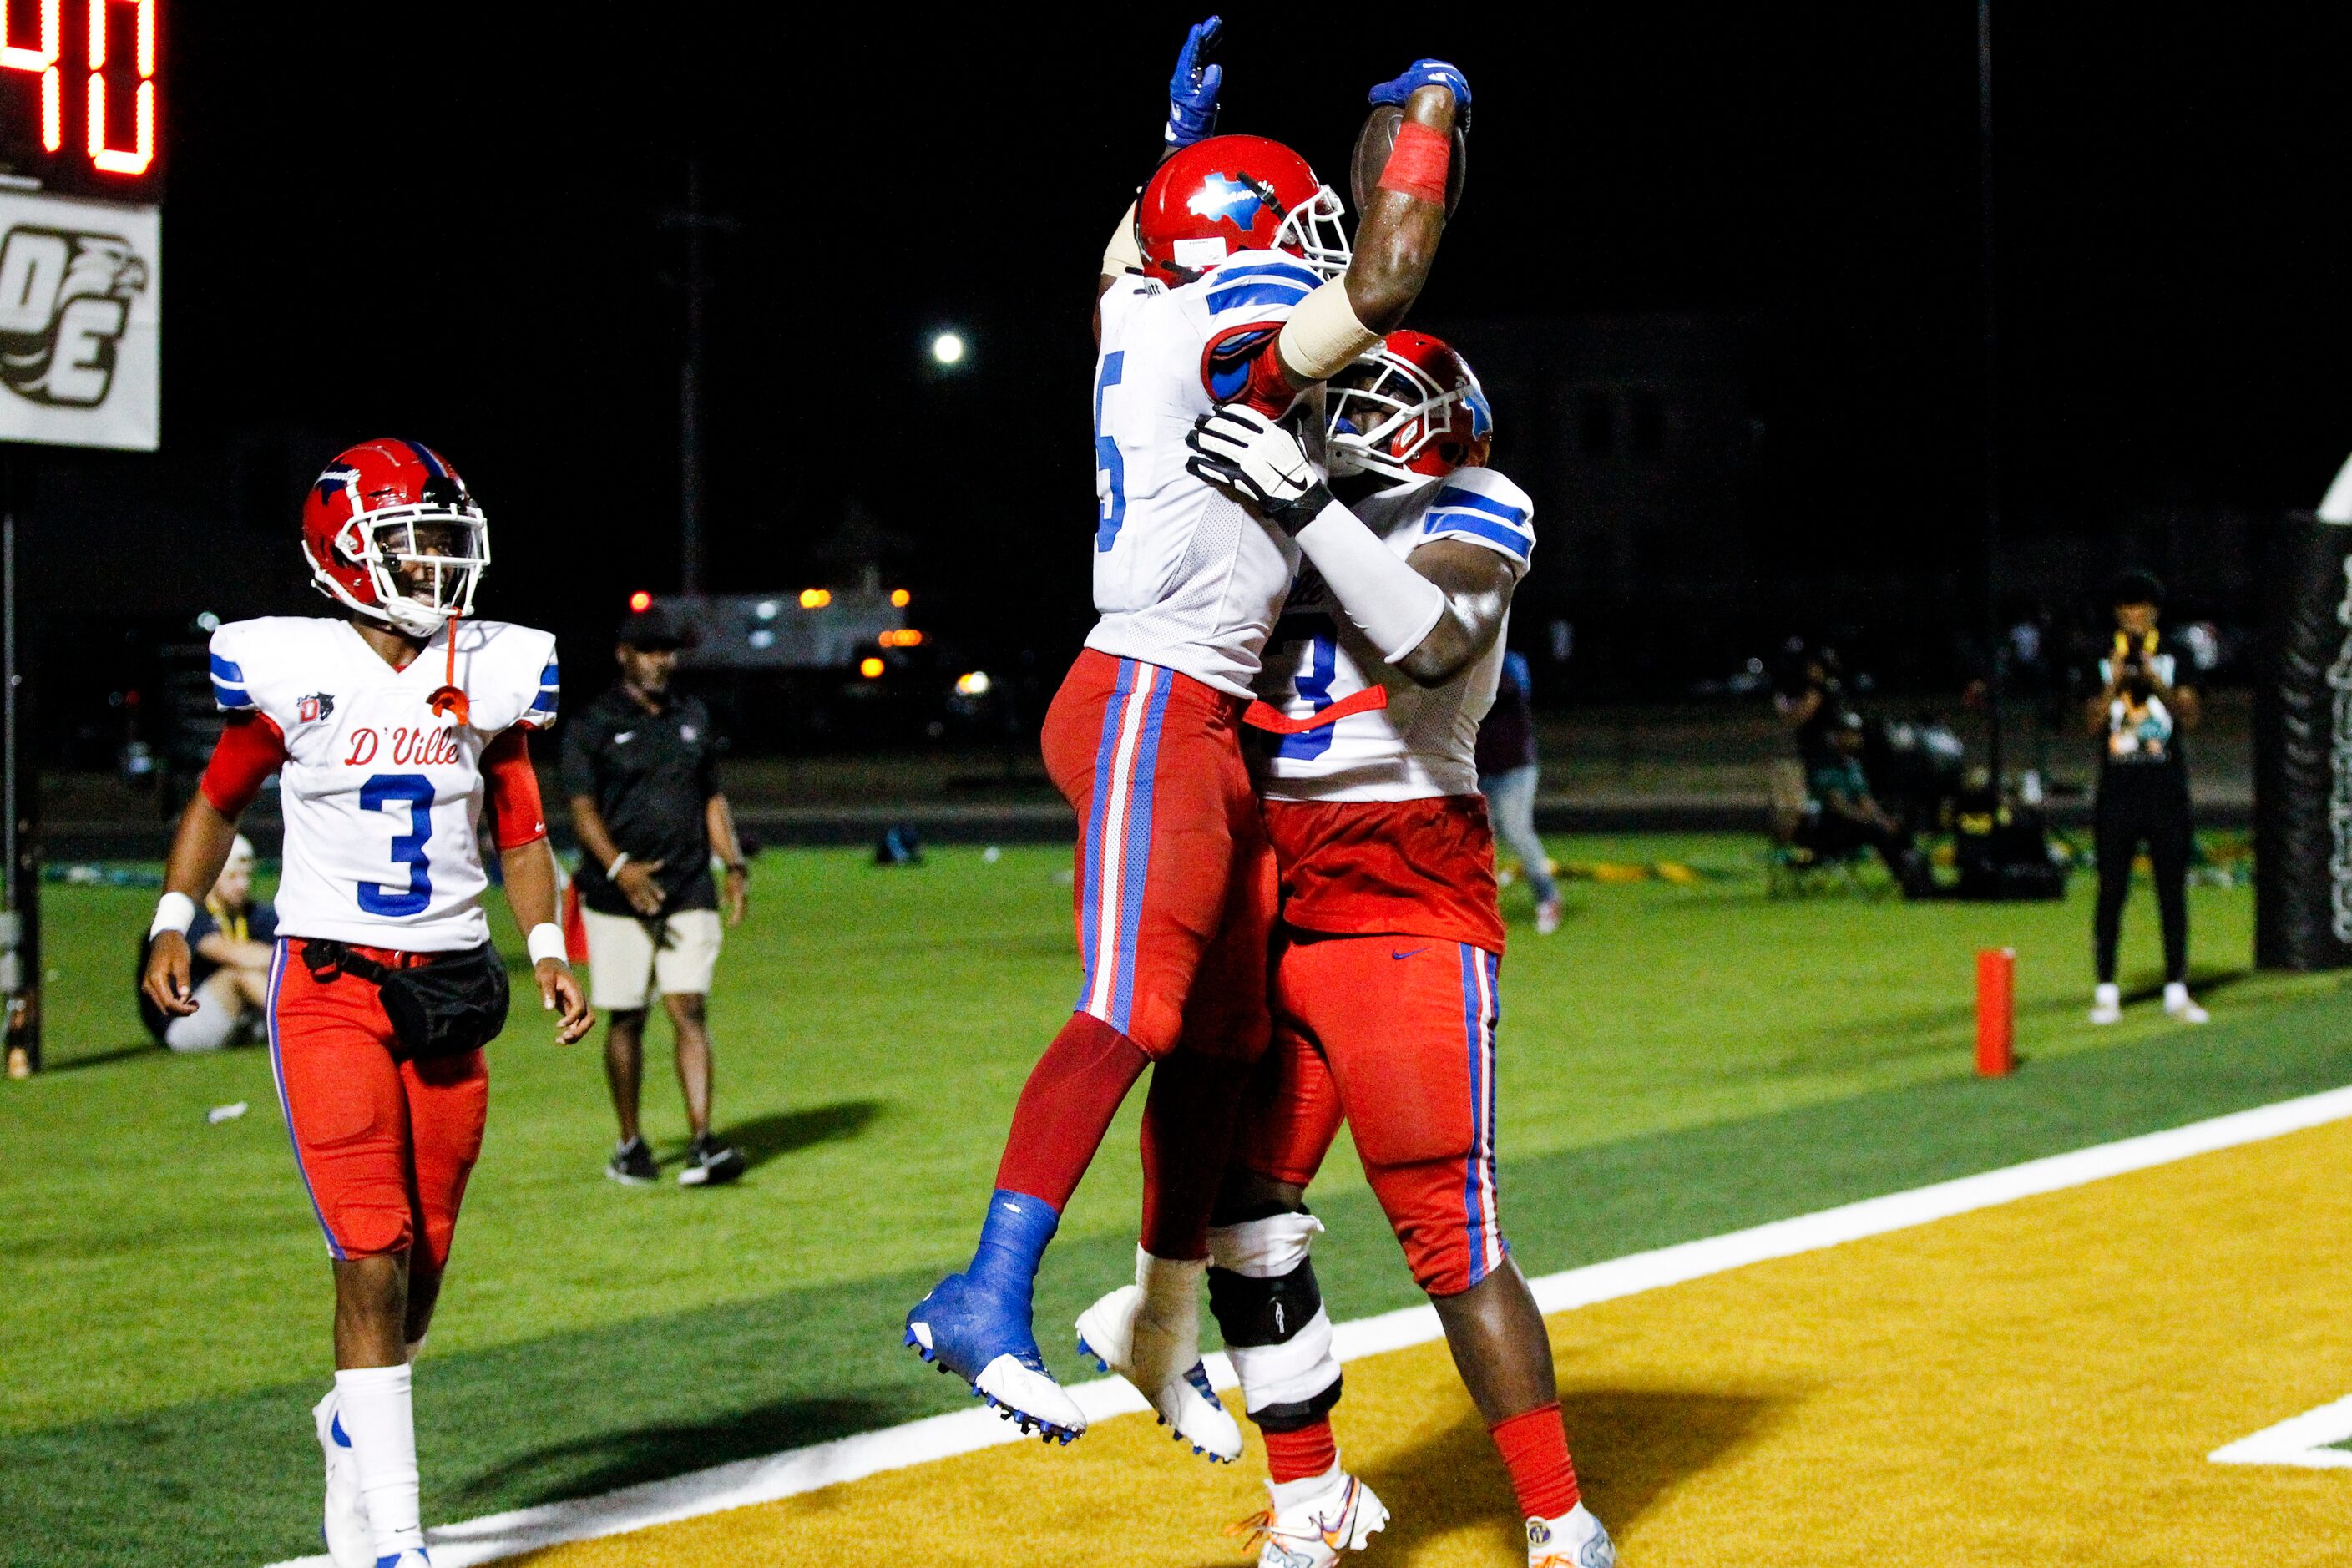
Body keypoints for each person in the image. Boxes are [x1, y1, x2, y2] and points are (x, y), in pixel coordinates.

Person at [903, 23, 1465, 1448]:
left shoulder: (1139, 311)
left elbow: (1126, 262)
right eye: (1294, 229)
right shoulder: (1227, 314)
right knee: (1133, 1008)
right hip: (1154, 690)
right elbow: (1386, 279)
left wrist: (1168, 163)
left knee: (1223, 1032)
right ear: (1250, 243)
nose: (1317, 247)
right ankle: (982, 1290)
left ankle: (1155, 1320)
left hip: (1193, 701)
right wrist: (1428, 124)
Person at [1085, 331, 1612, 1568]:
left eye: (1361, 400)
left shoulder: (1476, 502)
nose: (1333, 416)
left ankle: (1557, 1516)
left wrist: (1304, 501)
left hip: (1401, 888)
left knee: (1444, 1222)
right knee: (1240, 1207)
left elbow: (1429, 642)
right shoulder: (1267, 505)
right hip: (1268, 881)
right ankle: (1311, 1498)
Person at [139, 438, 593, 1568]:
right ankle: (396, 1532)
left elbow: (521, 819)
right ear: (343, 550)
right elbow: (217, 796)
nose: (440, 562)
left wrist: (542, 941)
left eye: (446, 539)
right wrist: (170, 915)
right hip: (331, 981)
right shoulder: (292, 666)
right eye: (415, 541)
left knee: (424, 1259)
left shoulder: (484, 664)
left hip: (447, 983)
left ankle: (354, 1412)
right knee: (369, 1249)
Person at [563, 603, 749, 1188]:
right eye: (649, 650)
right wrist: (620, 868)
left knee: (688, 1008)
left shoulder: (691, 716)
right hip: (615, 893)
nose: (660, 661)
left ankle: (701, 1143)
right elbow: (581, 807)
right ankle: (630, 1144)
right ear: (624, 655)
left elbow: (711, 797)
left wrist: (734, 863)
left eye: (668, 651)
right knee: (627, 1017)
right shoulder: (593, 724)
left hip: (688, 882)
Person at [2086, 569, 2206, 1024]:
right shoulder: (2099, 656)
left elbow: (2190, 718)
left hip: (2166, 791)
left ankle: (2177, 989)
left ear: (2154, 612)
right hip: (2116, 792)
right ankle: (2106, 990)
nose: (2135, 618)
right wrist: (2113, 684)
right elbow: (2092, 725)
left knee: (2171, 891)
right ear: (2117, 615)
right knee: (2111, 891)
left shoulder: (2177, 653)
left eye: (2143, 610)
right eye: (2127, 610)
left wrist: (2157, 682)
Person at [137, 832, 276, 1051]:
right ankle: (302, 1028)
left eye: (246, 876)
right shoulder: (190, 915)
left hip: (236, 1017)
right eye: (232, 877)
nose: (242, 885)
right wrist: (290, 956)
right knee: (240, 974)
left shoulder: (252, 913)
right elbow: (233, 953)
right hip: (181, 1025)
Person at [1802, 709, 1933, 898]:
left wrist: (1885, 820)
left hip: (1854, 825)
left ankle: (1919, 880)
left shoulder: (1853, 765)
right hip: (1826, 827)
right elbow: (1838, 806)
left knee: (1899, 830)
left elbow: (1865, 801)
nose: (1856, 738)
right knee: (1876, 831)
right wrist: (1872, 821)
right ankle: (1906, 879)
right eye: (1850, 733)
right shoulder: (1824, 764)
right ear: (1837, 735)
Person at [1477, 650, 1563, 933]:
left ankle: (1548, 897)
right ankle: (1481, 908)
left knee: (1517, 831)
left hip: (1515, 767)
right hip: (1479, 769)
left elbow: (1506, 692)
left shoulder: (1509, 663)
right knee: (1479, 840)